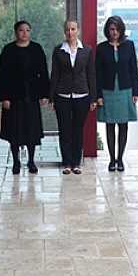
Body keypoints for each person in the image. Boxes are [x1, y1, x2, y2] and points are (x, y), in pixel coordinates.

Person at [0, 20, 50, 174]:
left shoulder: (36, 49)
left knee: (31, 130)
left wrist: (44, 94)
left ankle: (31, 161)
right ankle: (16, 162)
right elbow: (2, 75)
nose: (24, 33)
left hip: (31, 96)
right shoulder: (8, 50)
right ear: (16, 32)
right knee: (14, 131)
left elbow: (44, 73)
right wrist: (4, 97)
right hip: (13, 97)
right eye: (21, 30)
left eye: (27, 30)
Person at [50, 20, 96, 175]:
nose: (70, 32)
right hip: (62, 95)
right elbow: (54, 75)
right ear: (64, 32)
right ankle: (67, 163)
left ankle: (76, 162)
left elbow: (91, 75)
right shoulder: (58, 50)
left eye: (73, 29)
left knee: (77, 130)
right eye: (68, 29)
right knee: (65, 130)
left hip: (82, 95)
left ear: (78, 31)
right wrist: (51, 97)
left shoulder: (87, 51)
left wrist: (93, 98)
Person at [96, 15, 138, 172]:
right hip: (107, 91)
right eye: (112, 29)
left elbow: (134, 70)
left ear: (122, 30)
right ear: (107, 30)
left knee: (123, 124)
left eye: (117, 29)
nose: (114, 32)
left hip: (125, 89)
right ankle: (111, 158)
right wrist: (98, 95)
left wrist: (136, 92)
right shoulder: (101, 48)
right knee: (109, 125)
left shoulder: (129, 45)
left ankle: (120, 159)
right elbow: (97, 73)